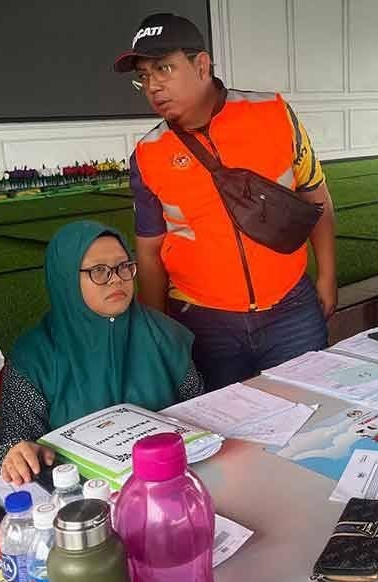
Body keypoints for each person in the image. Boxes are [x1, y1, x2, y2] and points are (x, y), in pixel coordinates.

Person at [117, 13, 337, 391]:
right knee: (224, 437)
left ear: (201, 65)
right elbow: (150, 253)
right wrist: (158, 331)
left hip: (291, 310)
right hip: (204, 323)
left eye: (164, 68)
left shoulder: (272, 113)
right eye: (144, 76)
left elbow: (317, 196)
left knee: (313, 413)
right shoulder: (149, 154)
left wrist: (328, 276)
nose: (153, 85)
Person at [0, 221, 203, 484]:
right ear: (65, 278)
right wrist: (17, 454)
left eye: (124, 267)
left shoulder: (165, 335)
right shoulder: (35, 357)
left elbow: (199, 412)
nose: (116, 278)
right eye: (99, 271)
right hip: (82, 499)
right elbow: (11, 447)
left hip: (171, 480)